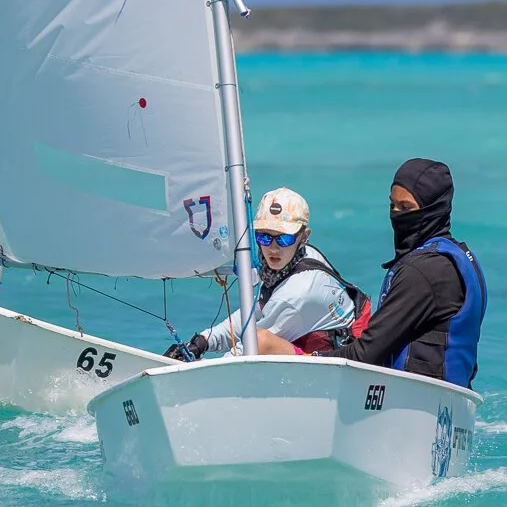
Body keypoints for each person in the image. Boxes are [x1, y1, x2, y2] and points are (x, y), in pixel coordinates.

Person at [258, 158, 485, 390]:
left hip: (417, 397)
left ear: (433, 208)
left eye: (406, 208)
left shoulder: (422, 272)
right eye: (392, 206)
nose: (396, 215)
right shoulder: (458, 256)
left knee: (266, 345)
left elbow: (366, 354)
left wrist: (306, 359)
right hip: (453, 396)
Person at [165, 187, 369, 360]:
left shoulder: (298, 293)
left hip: (343, 371)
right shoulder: (299, 257)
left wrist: (196, 371)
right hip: (315, 350)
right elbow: (254, 314)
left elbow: (248, 351)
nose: (273, 248)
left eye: (284, 239)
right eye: (264, 237)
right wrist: (201, 342)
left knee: (260, 341)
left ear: (303, 237)